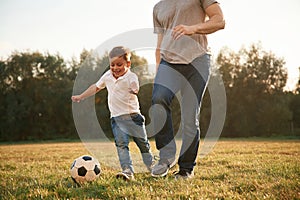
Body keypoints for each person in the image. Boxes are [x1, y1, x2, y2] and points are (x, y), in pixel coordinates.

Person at [151, 0, 225, 179]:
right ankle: (166, 157)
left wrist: (194, 28)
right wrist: (159, 68)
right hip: (169, 62)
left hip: (197, 60)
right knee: (159, 98)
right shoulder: (158, 7)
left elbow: (219, 20)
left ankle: (185, 169)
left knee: (189, 118)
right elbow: (160, 41)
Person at [72, 46, 153, 181]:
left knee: (143, 143)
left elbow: (135, 85)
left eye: (119, 65)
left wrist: (134, 88)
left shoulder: (131, 76)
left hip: (134, 117)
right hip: (117, 118)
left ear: (128, 64)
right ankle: (127, 171)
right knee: (121, 145)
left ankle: (151, 165)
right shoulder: (108, 76)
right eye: (112, 65)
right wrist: (81, 96)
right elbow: (96, 87)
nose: (115, 68)